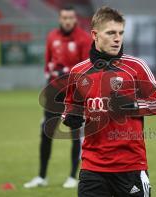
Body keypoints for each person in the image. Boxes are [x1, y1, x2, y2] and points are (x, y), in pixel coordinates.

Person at [62, 6, 156, 197]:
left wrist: (133, 106)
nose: (117, 38)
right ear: (95, 35)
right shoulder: (78, 72)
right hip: (92, 166)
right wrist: (69, 116)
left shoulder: (136, 67)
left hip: (130, 166)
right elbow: (71, 107)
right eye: (111, 33)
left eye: (120, 33)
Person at [24, 5, 92, 188]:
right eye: (64, 18)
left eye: (70, 18)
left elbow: (86, 70)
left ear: (75, 19)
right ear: (60, 19)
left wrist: (65, 72)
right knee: (46, 132)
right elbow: (48, 64)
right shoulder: (52, 36)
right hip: (54, 93)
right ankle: (41, 177)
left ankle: (72, 176)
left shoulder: (84, 39)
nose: (67, 21)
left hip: (75, 93)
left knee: (75, 133)